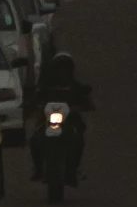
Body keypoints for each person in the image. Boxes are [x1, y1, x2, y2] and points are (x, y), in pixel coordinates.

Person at [29, 50, 94, 185]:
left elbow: (86, 100)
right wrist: (33, 104)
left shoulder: (75, 86)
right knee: (34, 139)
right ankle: (39, 169)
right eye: (59, 68)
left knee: (78, 140)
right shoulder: (45, 86)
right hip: (47, 120)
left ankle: (73, 170)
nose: (62, 71)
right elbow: (35, 98)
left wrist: (83, 105)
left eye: (65, 68)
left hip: (70, 121)